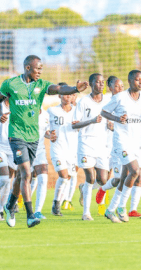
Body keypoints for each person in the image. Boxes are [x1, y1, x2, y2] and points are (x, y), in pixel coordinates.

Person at [0, 55, 88, 228]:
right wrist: (0, 114)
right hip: (16, 135)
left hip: (33, 137)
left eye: (41, 69)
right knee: (27, 173)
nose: (40, 71)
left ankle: (9, 205)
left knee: (22, 176)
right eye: (38, 68)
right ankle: (30, 215)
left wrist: (75, 88)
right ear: (28, 68)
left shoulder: (41, 85)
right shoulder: (10, 84)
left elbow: (59, 89)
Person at [101, 70, 141, 223]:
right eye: (137, 80)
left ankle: (110, 210)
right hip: (122, 141)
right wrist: (117, 118)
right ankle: (122, 207)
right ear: (130, 81)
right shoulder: (120, 97)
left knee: (125, 177)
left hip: (136, 142)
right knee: (135, 171)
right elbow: (104, 112)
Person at [73, 73, 110, 221]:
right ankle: (86, 213)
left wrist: (112, 123)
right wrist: (91, 120)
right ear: (91, 84)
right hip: (86, 143)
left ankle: (83, 188)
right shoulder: (83, 102)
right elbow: (75, 124)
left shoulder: (108, 101)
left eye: (103, 82)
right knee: (91, 177)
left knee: (103, 180)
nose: (101, 85)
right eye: (98, 82)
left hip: (102, 145)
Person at [47, 83, 78, 217]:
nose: (68, 97)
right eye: (65, 94)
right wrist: (49, 135)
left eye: (70, 94)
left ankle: (58, 201)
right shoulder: (52, 111)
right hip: (57, 148)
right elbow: (44, 129)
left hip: (73, 151)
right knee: (64, 176)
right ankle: (57, 205)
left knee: (68, 178)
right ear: (59, 95)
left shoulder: (78, 112)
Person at [95, 76, 124, 208]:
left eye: (122, 86)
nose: (120, 89)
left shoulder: (126, 101)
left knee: (115, 176)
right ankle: (102, 202)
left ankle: (92, 189)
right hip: (105, 144)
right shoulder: (106, 102)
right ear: (110, 88)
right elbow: (101, 118)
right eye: (117, 86)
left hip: (119, 143)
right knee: (106, 177)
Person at [31, 109, 51, 218]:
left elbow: (46, 132)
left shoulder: (46, 115)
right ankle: (13, 202)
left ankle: (37, 211)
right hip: (26, 149)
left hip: (40, 150)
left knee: (43, 178)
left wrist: (50, 136)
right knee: (22, 178)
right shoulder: (26, 111)